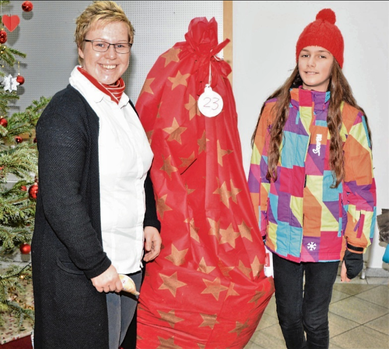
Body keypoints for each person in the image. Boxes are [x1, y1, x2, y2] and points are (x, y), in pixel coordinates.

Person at [31, 1, 161, 348]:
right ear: (80, 47)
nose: (110, 54)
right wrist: (97, 265)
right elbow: (60, 202)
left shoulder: (122, 104)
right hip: (86, 271)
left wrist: (150, 221)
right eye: (99, 44)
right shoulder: (66, 112)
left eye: (120, 45)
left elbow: (140, 170)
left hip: (125, 258)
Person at [248, 8, 376, 349]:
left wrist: (356, 246)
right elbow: (258, 176)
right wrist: (254, 230)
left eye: (321, 55)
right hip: (282, 233)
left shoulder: (351, 118)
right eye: (305, 54)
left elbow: (361, 187)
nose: (310, 62)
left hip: (328, 237)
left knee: (314, 318)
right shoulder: (274, 110)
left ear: (335, 63)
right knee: (288, 316)